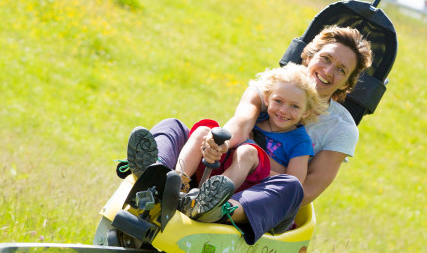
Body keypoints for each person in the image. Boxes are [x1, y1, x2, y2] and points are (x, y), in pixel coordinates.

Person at [123, 26, 373, 245]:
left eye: (341, 70)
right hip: (225, 172)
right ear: (309, 56)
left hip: (263, 199)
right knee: (174, 126)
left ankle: (219, 209)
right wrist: (219, 144)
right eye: (325, 58)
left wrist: (259, 167)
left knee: (290, 186)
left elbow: (305, 191)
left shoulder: (342, 129)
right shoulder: (269, 85)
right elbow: (241, 125)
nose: (329, 71)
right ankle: (158, 179)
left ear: (346, 83)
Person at [174, 64, 327, 196]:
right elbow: (237, 128)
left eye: (294, 106)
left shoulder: (300, 141)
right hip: (218, 168)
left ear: (306, 111)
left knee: (248, 152)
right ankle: (177, 183)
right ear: (266, 99)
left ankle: (208, 198)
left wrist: (259, 166)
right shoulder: (257, 120)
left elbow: (293, 183)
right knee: (203, 131)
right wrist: (219, 145)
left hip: (251, 187)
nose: (284, 110)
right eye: (278, 101)